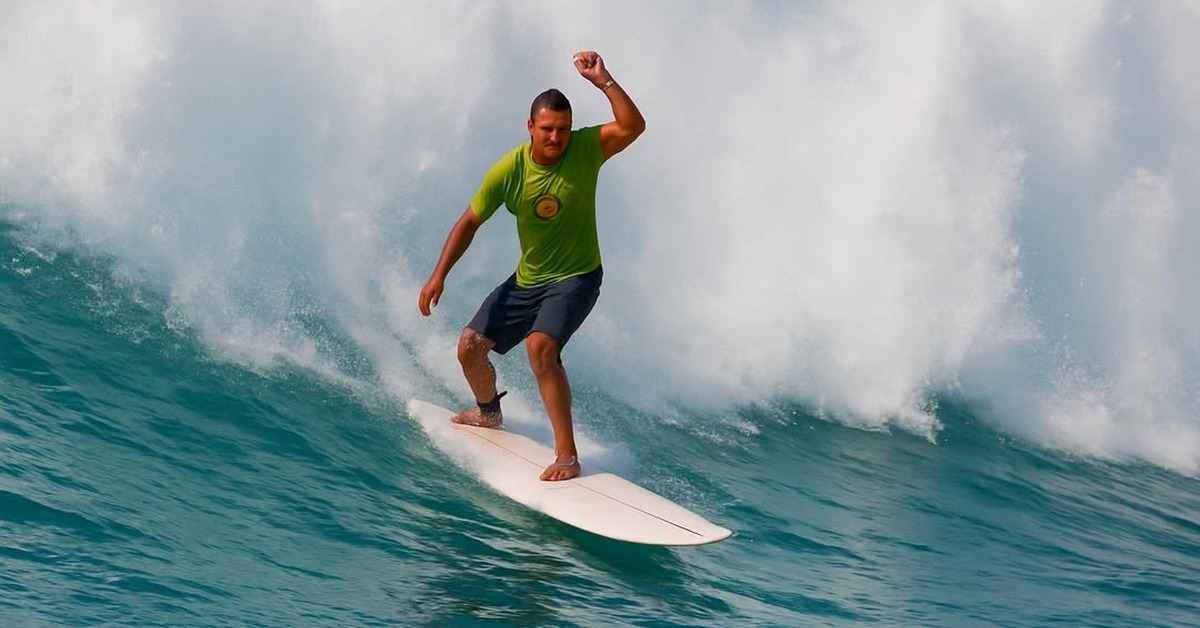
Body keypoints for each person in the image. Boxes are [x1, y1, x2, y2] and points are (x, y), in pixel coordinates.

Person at [418, 51, 645, 481]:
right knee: (469, 346)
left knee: (540, 348)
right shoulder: (510, 170)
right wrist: (438, 275)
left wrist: (604, 81)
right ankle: (489, 413)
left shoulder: (587, 148)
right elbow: (469, 222)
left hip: (578, 276)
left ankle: (567, 456)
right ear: (530, 128)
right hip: (530, 279)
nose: (556, 138)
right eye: (546, 130)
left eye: (562, 129)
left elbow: (634, 126)